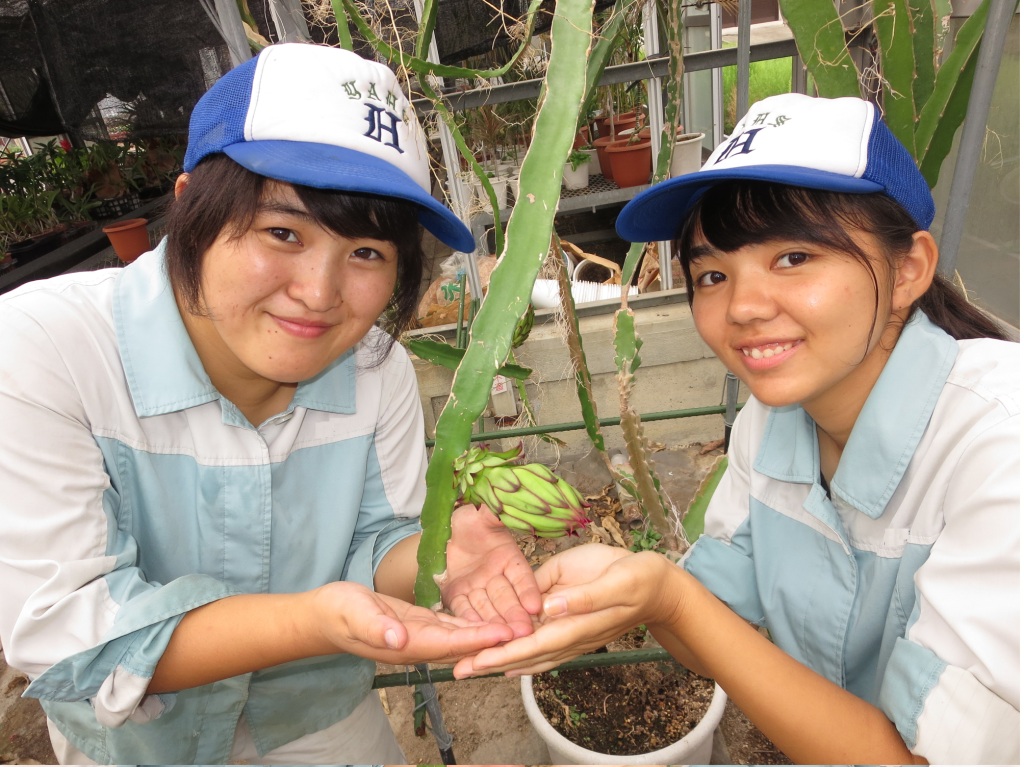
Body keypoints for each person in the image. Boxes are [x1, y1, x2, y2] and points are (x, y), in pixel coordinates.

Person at [0, 43, 542, 765]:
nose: (318, 294)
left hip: (314, 717)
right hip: (133, 741)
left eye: (367, 253)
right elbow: (66, 627)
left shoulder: (376, 369)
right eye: (282, 232)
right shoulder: (44, 349)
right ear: (190, 206)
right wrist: (312, 621)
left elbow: (378, 537)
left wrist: (440, 557)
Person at [454, 94, 1020, 764]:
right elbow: (713, 619)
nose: (743, 307)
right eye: (713, 274)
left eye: (794, 258)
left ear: (909, 269)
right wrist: (642, 592)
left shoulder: (999, 445)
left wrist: (671, 598)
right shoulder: (769, 424)